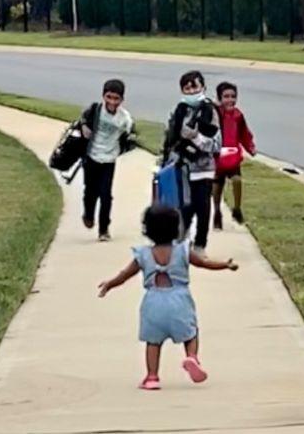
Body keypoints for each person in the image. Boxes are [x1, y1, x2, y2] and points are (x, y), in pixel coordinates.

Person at [97, 204, 238, 390]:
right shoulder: (183, 250)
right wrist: (224, 265)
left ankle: (152, 376)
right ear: (176, 228)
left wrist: (109, 284)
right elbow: (204, 263)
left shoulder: (143, 254)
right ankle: (192, 357)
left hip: (153, 302)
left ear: (147, 229)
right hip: (179, 300)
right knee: (191, 332)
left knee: (153, 341)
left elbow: (124, 275)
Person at [161, 71, 221, 255]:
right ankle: (179, 239)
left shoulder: (210, 112)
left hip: (202, 168)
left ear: (203, 87)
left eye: (194, 86)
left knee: (202, 207)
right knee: (183, 205)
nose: (191, 91)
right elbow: (170, 138)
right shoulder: (179, 110)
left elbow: (216, 144)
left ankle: (200, 245)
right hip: (182, 166)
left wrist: (196, 137)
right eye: (186, 88)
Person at [81, 79, 134, 242]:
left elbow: (130, 137)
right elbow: (83, 120)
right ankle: (88, 214)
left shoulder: (125, 119)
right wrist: (84, 126)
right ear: (103, 96)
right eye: (109, 97)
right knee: (90, 191)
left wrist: (130, 140)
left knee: (106, 195)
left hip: (109, 159)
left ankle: (104, 228)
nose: (112, 102)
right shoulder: (95, 110)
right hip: (91, 156)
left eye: (116, 98)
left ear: (121, 100)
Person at [212, 82, 256, 230]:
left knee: (237, 180)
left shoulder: (238, 115)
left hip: (232, 155)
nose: (230, 100)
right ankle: (217, 212)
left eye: (233, 96)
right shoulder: (215, 113)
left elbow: (244, 134)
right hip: (217, 156)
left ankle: (237, 208)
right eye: (226, 97)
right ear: (219, 98)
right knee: (217, 186)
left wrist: (250, 147)